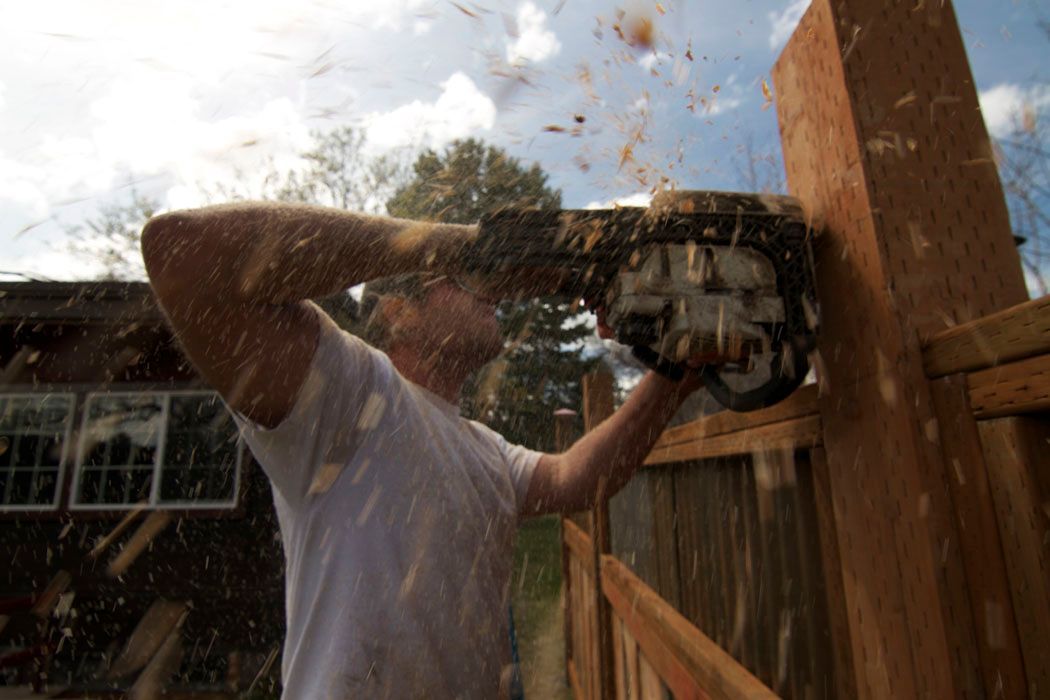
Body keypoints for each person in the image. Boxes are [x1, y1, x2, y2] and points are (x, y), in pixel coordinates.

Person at [140, 202, 706, 698]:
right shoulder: (351, 392)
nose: (489, 292)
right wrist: (464, 248)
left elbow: (577, 480)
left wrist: (680, 372)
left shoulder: (485, 450)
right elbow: (181, 250)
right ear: (398, 311)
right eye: (462, 284)